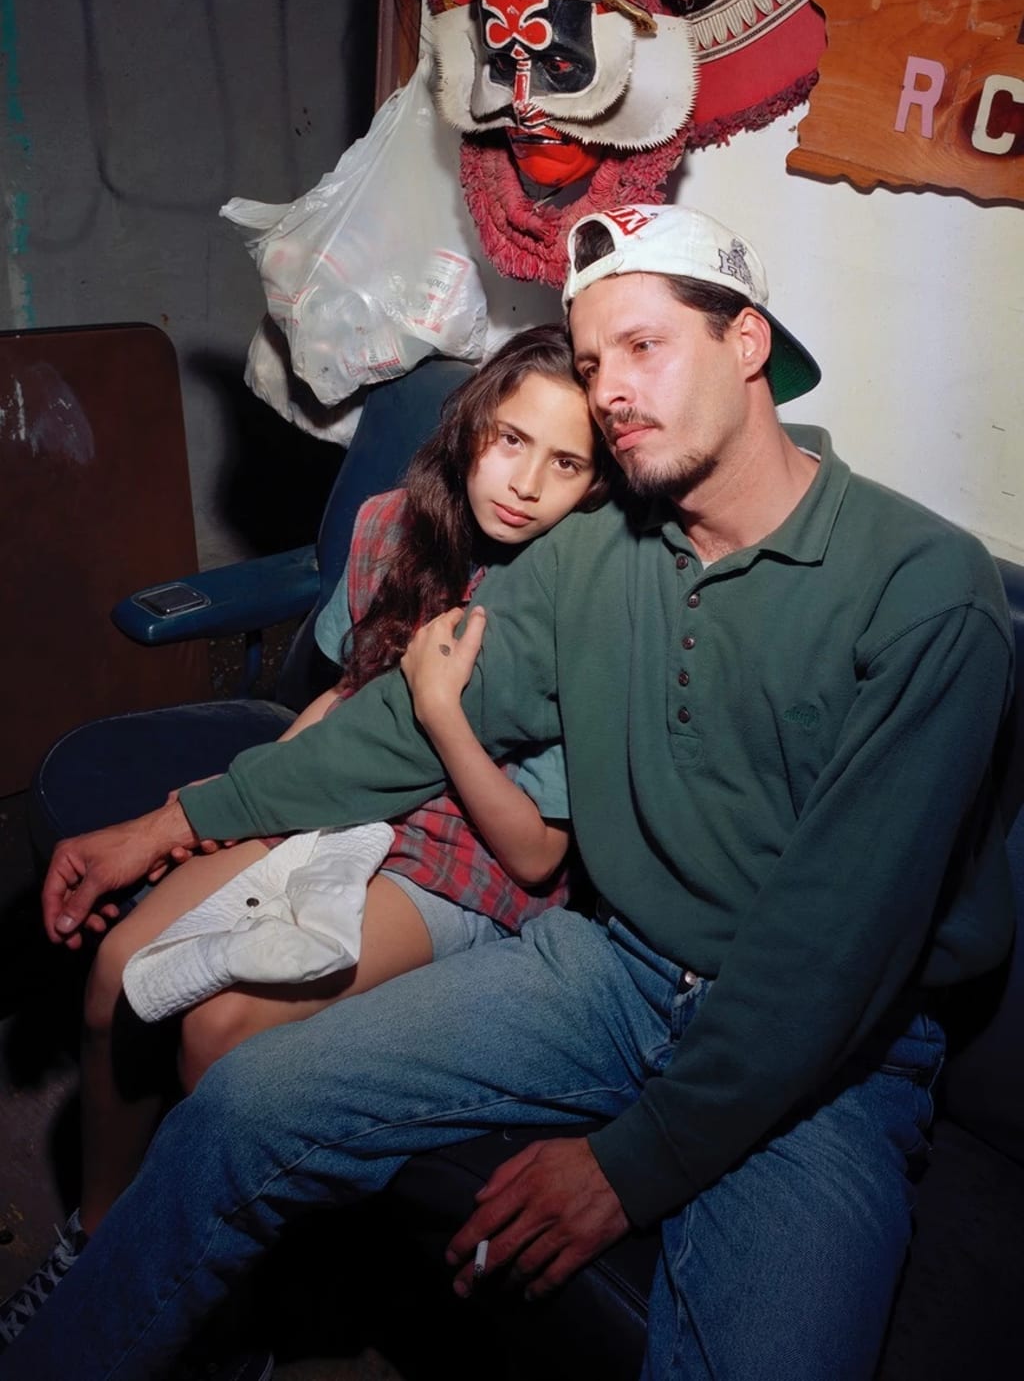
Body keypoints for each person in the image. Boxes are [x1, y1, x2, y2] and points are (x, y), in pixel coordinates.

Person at [1, 204, 1014, 1381]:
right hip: (617, 967)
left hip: (843, 1045)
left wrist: (633, 1161)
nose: (613, 387)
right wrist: (174, 821)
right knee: (243, 1102)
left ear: (746, 342)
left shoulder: (920, 590)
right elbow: (400, 725)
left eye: (645, 346)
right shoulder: (599, 551)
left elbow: (837, 942)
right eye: (593, 360)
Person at [0, 324, 610, 1349]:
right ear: (470, 430)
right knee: (119, 969)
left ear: (595, 487)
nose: (525, 482)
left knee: (219, 1033)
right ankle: (100, 1243)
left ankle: (206, 1303)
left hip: (465, 858)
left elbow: (539, 854)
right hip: (348, 791)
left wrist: (442, 706)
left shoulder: (571, 601)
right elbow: (339, 695)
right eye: (510, 440)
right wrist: (250, 799)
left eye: (566, 462)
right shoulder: (388, 525)